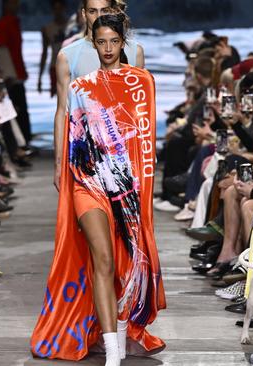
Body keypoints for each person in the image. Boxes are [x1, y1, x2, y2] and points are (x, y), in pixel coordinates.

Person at [31, 14, 164, 365]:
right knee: (103, 259)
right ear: (93, 43)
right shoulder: (81, 88)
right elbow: (76, 139)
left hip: (126, 186)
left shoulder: (142, 83)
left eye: (113, 42)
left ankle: (119, 333)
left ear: (124, 43)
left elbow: (146, 142)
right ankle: (113, 353)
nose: (107, 49)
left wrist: (142, 190)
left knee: (125, 265)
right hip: (88, 183)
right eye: (101, 42)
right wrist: (67, 172)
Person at [53, 0, 145, 189]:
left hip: (124, 155)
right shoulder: (68, 55)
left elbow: (140, 111)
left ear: (113, 11)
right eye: (93, 11)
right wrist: (58, 164)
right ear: (84, 14)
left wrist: (145, 156)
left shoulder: (134, 52)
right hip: (85, 155)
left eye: (104, 10)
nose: (98, 16)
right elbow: (63, 111)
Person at [0, 0, 32, 145]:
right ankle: (21, 143)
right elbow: (3, 50)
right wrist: (9, 74)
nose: (16, 5)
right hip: (12, 74)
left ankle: (23, 142)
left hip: (15, 71)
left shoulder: (12, 22)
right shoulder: (4, 24)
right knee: (17, 109)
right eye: (13, 2)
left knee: (20, 109)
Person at [38, 0, 67, 97]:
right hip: (55, 67)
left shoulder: (71, 27)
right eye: (55, 9)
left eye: (60, 8)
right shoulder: (47, 29)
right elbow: (44, 53)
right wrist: (39, 78)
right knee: (59, 98)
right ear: (52, 10)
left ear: (63, 8)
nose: (58, 11)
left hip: (70, 67)